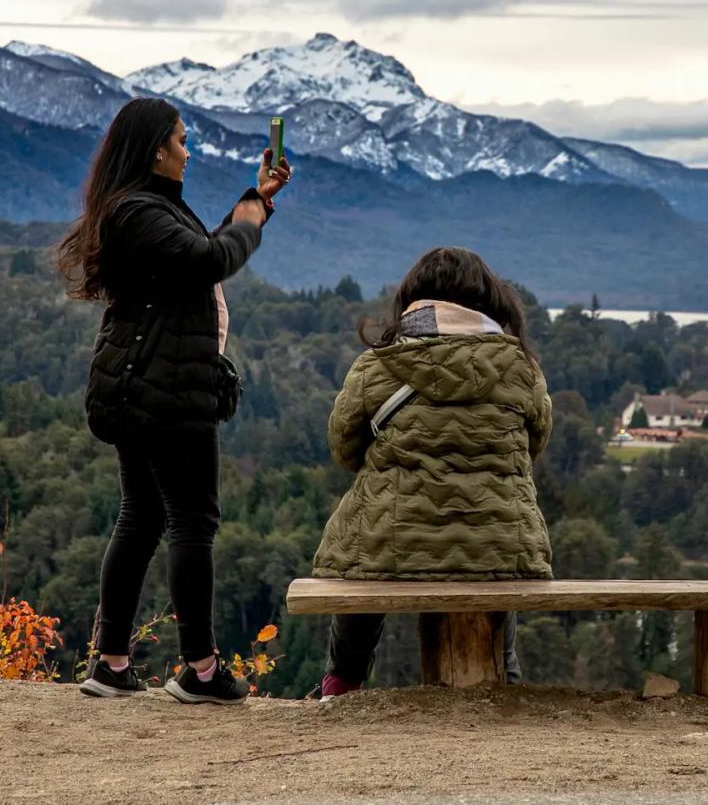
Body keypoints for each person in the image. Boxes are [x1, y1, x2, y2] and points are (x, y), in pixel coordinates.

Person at [56, 96, 291, 703]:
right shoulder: (137, 210)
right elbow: (210, 258)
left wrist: (257, 201)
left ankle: (111, 664)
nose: (188, 152)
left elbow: (195, 255)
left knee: (144, 516)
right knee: (191, 521)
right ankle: (202, 670)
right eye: (182, 141)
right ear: (157, 147)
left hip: (142, 384)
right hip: (165, 390)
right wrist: (251, 222)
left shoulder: (141, 208)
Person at [311, 247, 554, 698]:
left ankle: (341, 682)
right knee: (497, 556)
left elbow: (344, 449)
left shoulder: (377, 365)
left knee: (364, 553)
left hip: (391, 541)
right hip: (496, 544)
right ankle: (506, 687)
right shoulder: (522, 369)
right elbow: (533, 446)